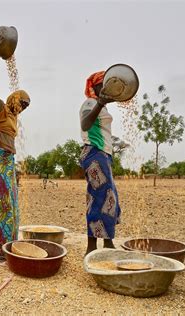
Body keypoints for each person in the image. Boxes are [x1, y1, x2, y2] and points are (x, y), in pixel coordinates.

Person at [0, 53, 30, 259]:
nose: (22, 108)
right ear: (13, 99)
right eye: (21, 103)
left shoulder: (14, 117)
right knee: (1, 203)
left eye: (25, 106)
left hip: (8, 160)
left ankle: (10, 244)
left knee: (12, 204)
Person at [79, 71, 121, 255]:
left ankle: (106, 242)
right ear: (96, 86)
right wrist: (101, 102)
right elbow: (85, 124)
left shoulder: (102, 107)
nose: (107, 88)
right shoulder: (90, 103)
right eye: (104, 85)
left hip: (103, 155)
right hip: (94, 152)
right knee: (100, 198)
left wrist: (103, 103)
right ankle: (93, 247)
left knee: (108, 198)